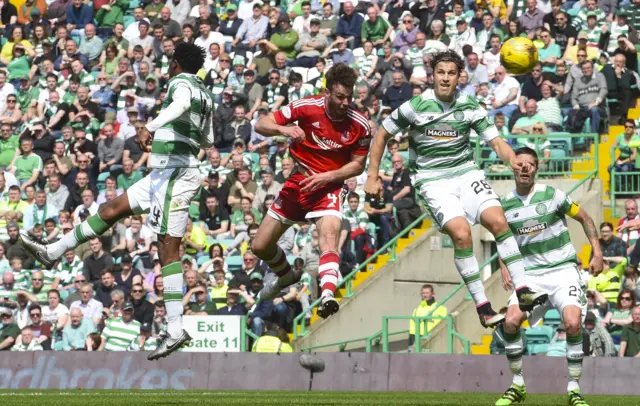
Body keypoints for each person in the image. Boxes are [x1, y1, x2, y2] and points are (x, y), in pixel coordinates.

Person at [20, 42, 214, 361]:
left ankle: (176, 328)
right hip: (163, 174)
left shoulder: (181, 84)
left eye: (170, 62)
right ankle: (52, 252)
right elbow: (206, 138)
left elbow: (179, 105)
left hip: (176, 174)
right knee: (110, 209)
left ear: (177, 63)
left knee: (167, 246)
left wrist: (150, 127)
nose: (168, 67)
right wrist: (180, 136)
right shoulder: (205, 93)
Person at [365, 50, 546, 328]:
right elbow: (381, 134)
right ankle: (483, 307)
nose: (446, 78)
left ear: (459, 76)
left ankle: (523, 291)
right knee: (462, 234)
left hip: (465, 172)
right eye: (441, 72)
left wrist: (514, 161)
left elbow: (496, 142)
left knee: (499, 221)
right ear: (432, 76)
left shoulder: (469, 105)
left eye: (451, 73)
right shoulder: (415, 106)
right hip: (432, 180)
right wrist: (373, 175)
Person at [252, 63, 370, 319]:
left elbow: (358, 165)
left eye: (349, 97)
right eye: (340, 96)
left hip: (330, 186)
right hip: (299, 182)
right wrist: (283, 130)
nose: (345, 102)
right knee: (260, 246)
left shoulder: (360, 125)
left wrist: (327, 177)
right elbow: (261, 124)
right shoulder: (305, 107)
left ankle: (327, 294)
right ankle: (286, 275)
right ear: (326, 92)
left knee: (328, 237)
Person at [494, 147, 602, 406]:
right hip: (530, 275)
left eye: (530, 164)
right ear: (512, 167)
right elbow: (502, 239)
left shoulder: (553, 195)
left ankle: (574, 389)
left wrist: (597, 250)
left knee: (573, 323)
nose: (525, 168)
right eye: (520, 163)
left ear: (536, 169)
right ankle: (517, 384)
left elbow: (585, 218)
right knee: (510, 322)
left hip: (563, 270)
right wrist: (504, 266)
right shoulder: (503, 205)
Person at [408, 284, 448, 352]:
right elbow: (412, 323)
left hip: (431, 338)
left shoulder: (440, 308)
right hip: (416, 337)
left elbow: (443, 324)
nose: (425, 295)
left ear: (433, 294)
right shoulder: (418, 308)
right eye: (423, 293)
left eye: (427, 293)